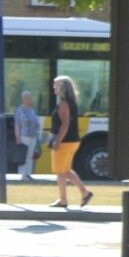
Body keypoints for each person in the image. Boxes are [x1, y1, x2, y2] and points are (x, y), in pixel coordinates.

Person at [49, 75, 93, 208]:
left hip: (65, 142)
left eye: (56, 85)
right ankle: (85, 193)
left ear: (62, 87)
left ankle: (63, 200)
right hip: (73, 141)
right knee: (66, 169)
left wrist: (57, 141)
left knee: (60, 171)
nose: (54, 87)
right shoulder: (71, 102)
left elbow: (65, 123)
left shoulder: (64, 103)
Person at [14, 90, 41, 181]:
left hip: (33, 136)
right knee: (24, 155)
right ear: (23, 99)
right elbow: (17, 124)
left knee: (30, 155)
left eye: (29, 98)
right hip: (24, 135)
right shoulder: (20, 110)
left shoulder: (32, 110)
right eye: (26, 98)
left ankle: (28, 173)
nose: (28, 100)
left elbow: (36, 121)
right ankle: (23, 174)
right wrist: (18, 137)